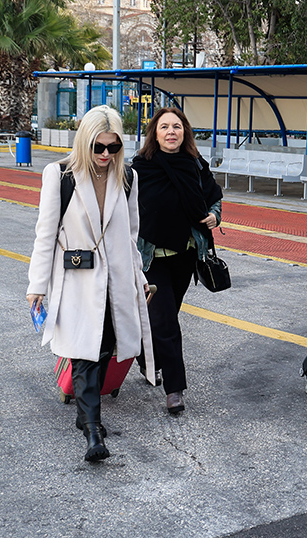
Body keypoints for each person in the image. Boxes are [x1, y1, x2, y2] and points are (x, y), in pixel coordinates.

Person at [27, 105, 154, 462]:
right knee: (84, 352)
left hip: (116, 282)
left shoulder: (127, 178)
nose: (105, 154)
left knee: (104, 348)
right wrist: (37, 285)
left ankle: (85, 414)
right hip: (77, 281)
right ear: (84, 142)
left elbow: (131, 237)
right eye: (99, 146)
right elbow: (45, 234)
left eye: (114, 147)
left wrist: (140, 278)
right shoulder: (60, 175)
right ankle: (93, 431)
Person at [131, 107, 223, 415]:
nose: (171, 131)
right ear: (155, 134)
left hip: (185, 255)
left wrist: (214, 215)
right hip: (152, 257)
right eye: (164, 127)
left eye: (177, 126)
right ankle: (174, 390)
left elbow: (214, 195)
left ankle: (145, 355)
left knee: (165, 317)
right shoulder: (139, 168)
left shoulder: (195, 164)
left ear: (185, 132)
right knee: (166, 322)